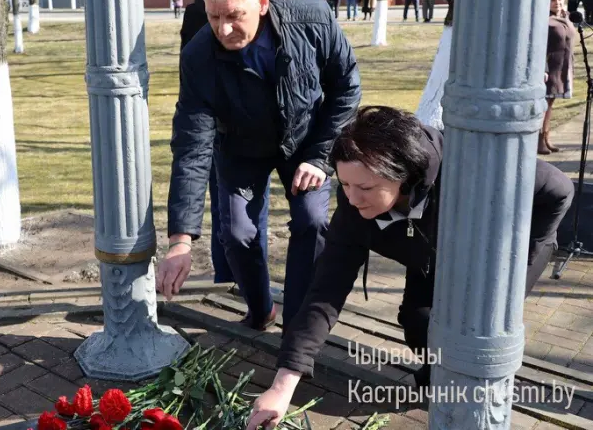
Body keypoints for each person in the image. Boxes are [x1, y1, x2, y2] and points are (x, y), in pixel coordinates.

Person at [246, 106, 574, 430]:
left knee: (477, 329)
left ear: (402, 176)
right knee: (420, 324)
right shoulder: (353, 207)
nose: (352, 198)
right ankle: (440, 375)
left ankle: (472, 401)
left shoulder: (472, 162)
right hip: (429, 253)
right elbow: (325, 292)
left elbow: (559, 189)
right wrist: (281, 387)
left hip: (495, 255)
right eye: (345, 185)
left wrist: (516, 264)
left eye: (365, 188)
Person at [159, 0, 361, 333]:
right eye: (214, 16)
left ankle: (299, 322)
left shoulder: (313, 18)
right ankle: (261, 308)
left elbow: (347, 87)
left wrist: (319, 157)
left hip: (305, 139)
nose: (223, 29)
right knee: (236, 233)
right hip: (240, 146)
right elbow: (191, 145)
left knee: (313, 218)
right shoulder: (199, 56)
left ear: (262, 1)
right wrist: (181, 240)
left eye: (235, 16)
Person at [178, 0, 269, 285]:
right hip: (221, 124)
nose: (224, 26)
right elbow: (194, 62)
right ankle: (241, 283)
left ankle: (230, 280)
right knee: (239, 210)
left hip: (228, 123)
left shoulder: (201, 7)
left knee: (228, 209)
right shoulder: (204, 11)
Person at [540, 0, 575, 155]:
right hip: (549, 68)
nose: (557, 3)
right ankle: (539, 139)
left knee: (550, 104)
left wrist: (564, 15)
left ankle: (546, 137)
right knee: (544, 104)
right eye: (553, 0)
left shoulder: (563, 16)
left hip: (562, 67)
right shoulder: (544, 20)